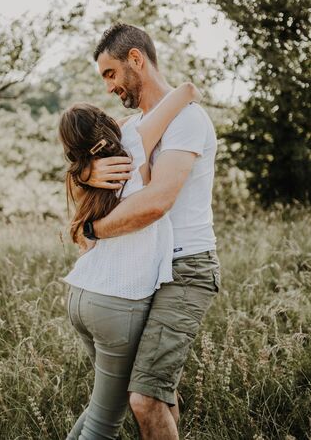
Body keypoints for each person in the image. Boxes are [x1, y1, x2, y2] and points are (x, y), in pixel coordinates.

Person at [81, 23, 221, 440]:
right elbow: (80, 170)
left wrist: (95, 230)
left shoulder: (188, 121)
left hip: (186, 267)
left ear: (136, 60)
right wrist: (86, 172)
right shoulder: (135, 125)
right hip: (146, 267)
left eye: (110, 73)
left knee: (145, 398)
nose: (108, 87)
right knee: (157, 392)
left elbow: (158, 201)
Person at [59, 82, 202, 439]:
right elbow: (183, 92)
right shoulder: (135, 145)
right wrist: (184, 93)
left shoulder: (83, 174)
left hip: (80, 295)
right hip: (116, 303)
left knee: (101, 407)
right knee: (105, 423)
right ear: (108, 124)